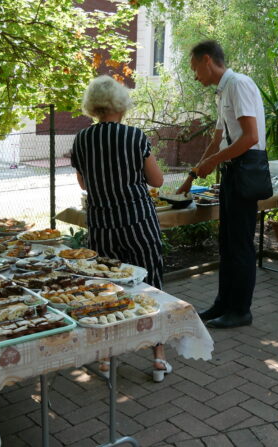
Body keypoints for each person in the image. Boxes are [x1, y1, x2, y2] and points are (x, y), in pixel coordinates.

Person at [71, 75, 172, 382]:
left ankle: (105, 357)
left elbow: (84, 184)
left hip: (103, 226)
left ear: (93, 105)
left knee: (107, 287)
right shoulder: (134, 136)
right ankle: (158, 356)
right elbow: (157, 181)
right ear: (121, 103)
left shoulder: (82, 139)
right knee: (151, 285)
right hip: (138, 223)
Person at [177, 40, 266, 329]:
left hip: (246, 170)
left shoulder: (239, 84)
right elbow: (217, 141)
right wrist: (191, 177)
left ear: (207, 60)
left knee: (240, 244)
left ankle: (240, 311)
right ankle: (223, 304)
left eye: (194, 69)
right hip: (231, 170)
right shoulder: (223, 91)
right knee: (227, 243)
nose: (194, 76)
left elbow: (251, 137)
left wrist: (213, 161)